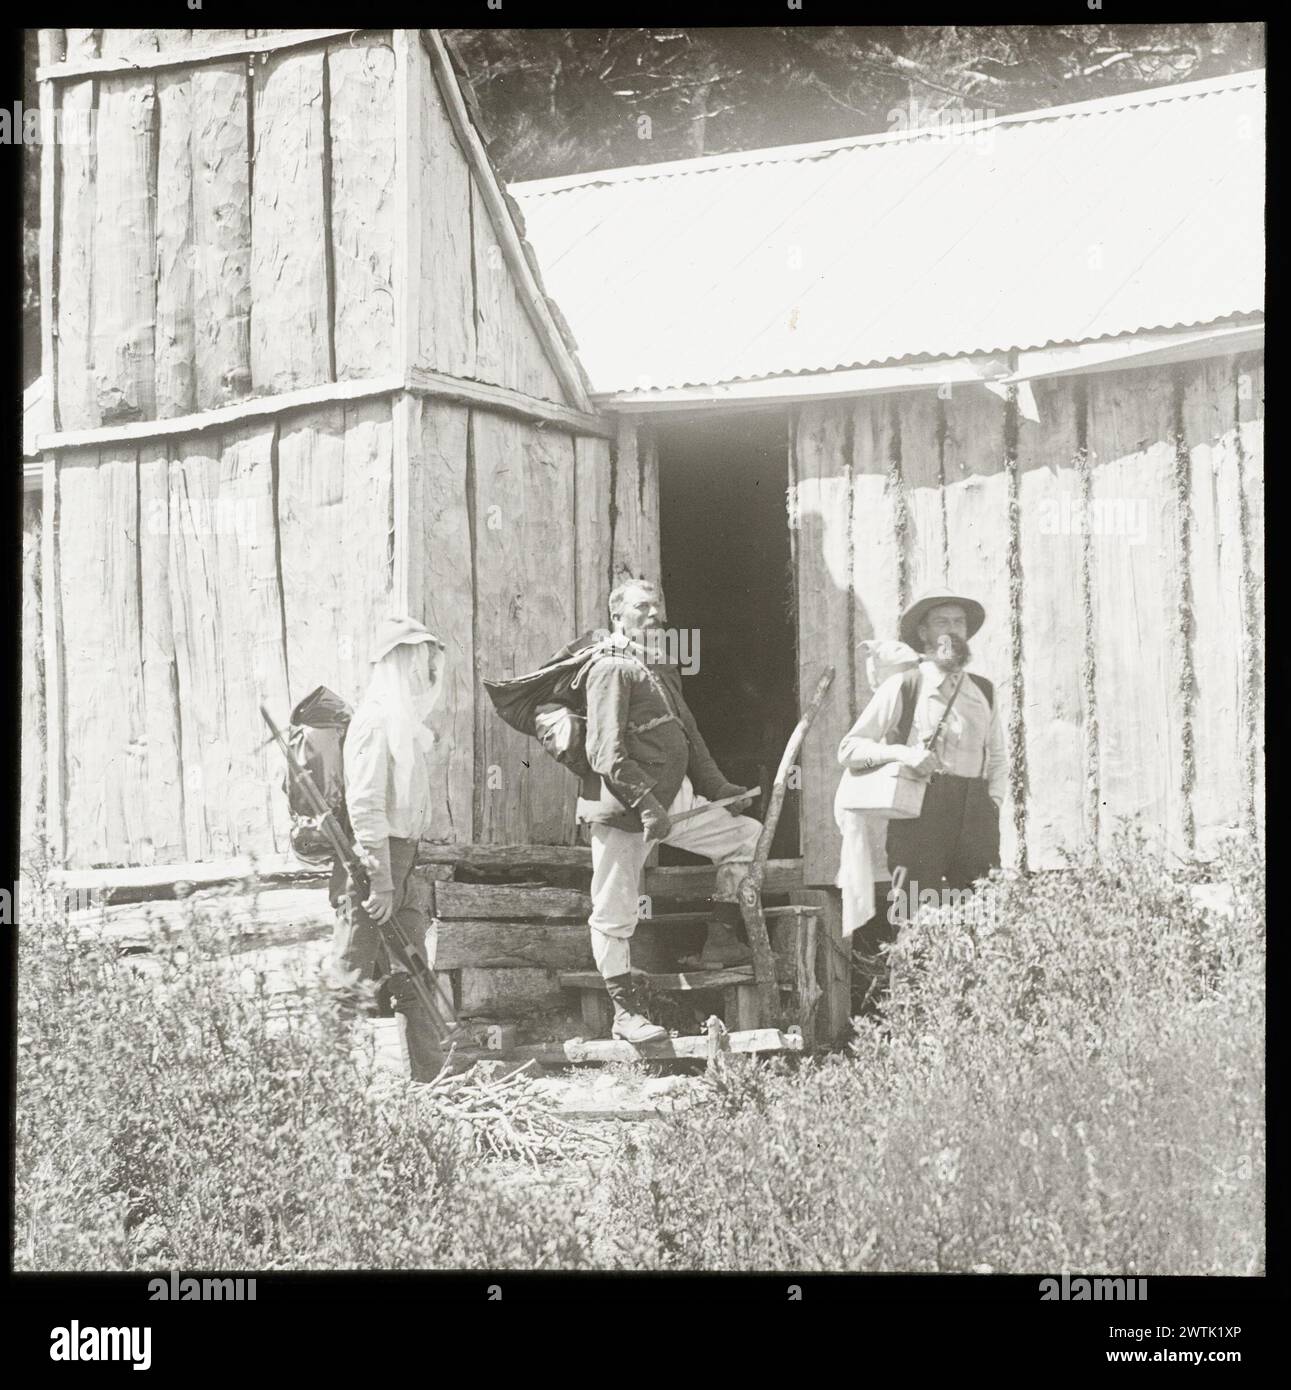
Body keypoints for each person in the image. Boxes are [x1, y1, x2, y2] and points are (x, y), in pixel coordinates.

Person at [578, 579, 762, 1042]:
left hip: (670, 800)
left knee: (746, 835)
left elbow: (691, 738)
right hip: (623, 806)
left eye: (659, 605)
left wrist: (721, 789)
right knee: (614, 911)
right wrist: (644, 803)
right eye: (642, 606)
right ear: (617, 615)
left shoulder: (658, 668)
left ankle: (720, 939)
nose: (655, 614)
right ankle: (624, 1014)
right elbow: (604, 751)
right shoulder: (611, 667)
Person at [836, 588, 1005, 1006]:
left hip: (975, 811)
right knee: (913, 913)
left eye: (960, 623)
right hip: (921, 811)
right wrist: (901, 753)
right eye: (943, 622)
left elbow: (998, 755)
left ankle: (976, 1015)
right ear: (924, 633)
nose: (953, 630)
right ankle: (915, 1021)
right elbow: (850, 748)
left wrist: (992, 803)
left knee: (983, 913)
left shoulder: (983, 689)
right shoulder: (905, 686)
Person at [328, 615, 453, 1079]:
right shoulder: (376, 720)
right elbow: (364, 807)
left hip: (403, 860)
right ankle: (322, 1082)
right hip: (374, 865)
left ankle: (433, 1075)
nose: (424, 671)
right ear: (398, 663)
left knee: (414, 967)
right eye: (417, 661)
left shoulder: (402, 722)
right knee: (352, 971)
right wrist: (380, 881)